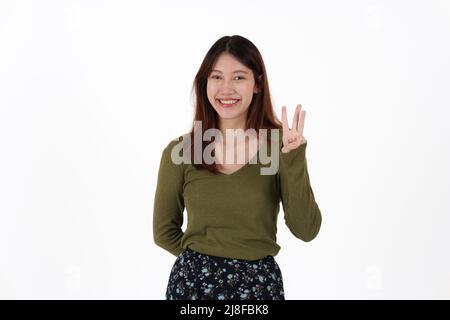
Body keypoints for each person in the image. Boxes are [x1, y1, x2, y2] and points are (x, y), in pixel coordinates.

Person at [153, 35, 322, 300]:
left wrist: (293, 157)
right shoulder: (181, 151)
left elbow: (306, 229)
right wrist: (203, 265)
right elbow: (163, 232)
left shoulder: (279, 145)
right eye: (216, 77)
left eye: (239, 77)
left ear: (257, 84)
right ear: (204, 83)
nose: (226, 88)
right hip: (192, 289)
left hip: (258, 289)